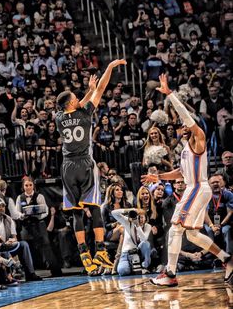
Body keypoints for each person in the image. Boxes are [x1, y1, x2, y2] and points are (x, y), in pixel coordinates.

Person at [141, 73, 233, 287]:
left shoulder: (198, 138)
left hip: (197, 189)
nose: (181, 126)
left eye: (185, 125)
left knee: (175, 229)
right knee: (191, 234)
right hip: (196, 188)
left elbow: (185, 116)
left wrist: (170, 94)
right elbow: (181, 173)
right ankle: (226, 259)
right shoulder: (185, 150)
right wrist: (159, 176)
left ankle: (170, 274)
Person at [55, 59, 126, 275]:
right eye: (76, 98)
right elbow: (102, 88)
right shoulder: (85, 114)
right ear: (72, 103)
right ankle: (101, 250)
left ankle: (83, 253)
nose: (79, 99)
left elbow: (73, 106)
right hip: (85, 164)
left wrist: (87, 92)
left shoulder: (58, 118)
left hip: (67, 167)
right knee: (94, 208)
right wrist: (111, 67)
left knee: (76, 212)